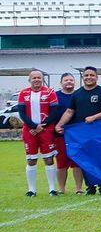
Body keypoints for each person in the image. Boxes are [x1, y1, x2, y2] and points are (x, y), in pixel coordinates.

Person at [54, 67, 101, 195]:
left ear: (96, 77)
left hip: (99, 133)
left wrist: (94, 117)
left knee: (100, 159)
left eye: (92, 75)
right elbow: (70, 111)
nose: (89, 77)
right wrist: (59, 124)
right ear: (83, 78)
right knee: (86, 161)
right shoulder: (77, 94)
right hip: (82, 134)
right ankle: (90, 187)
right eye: (86, 75)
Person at [17, 69, 61, 197]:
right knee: (31, 160)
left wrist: (43, 125)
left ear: (42, 79)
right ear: (29, 80)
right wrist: (32, 126)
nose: (36, 79)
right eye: (34, 77)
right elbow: (22, 113)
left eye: (39, 77)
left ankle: (52, 189)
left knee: (48, 158)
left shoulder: (50, 92)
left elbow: (55, 111)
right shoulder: (23, 93)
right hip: (29, 130)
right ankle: (32, 190)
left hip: (46, 130)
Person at [52, 73, 77, 193]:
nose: (69, 82)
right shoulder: (55, 97)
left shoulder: (79, 95)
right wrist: (56, 127)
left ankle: (79, 189)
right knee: (61, 163)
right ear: (61, 82)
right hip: (60, 134)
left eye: (71, 80)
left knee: (77, 163)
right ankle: (61, 189)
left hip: (76, 135)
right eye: (66, 80)